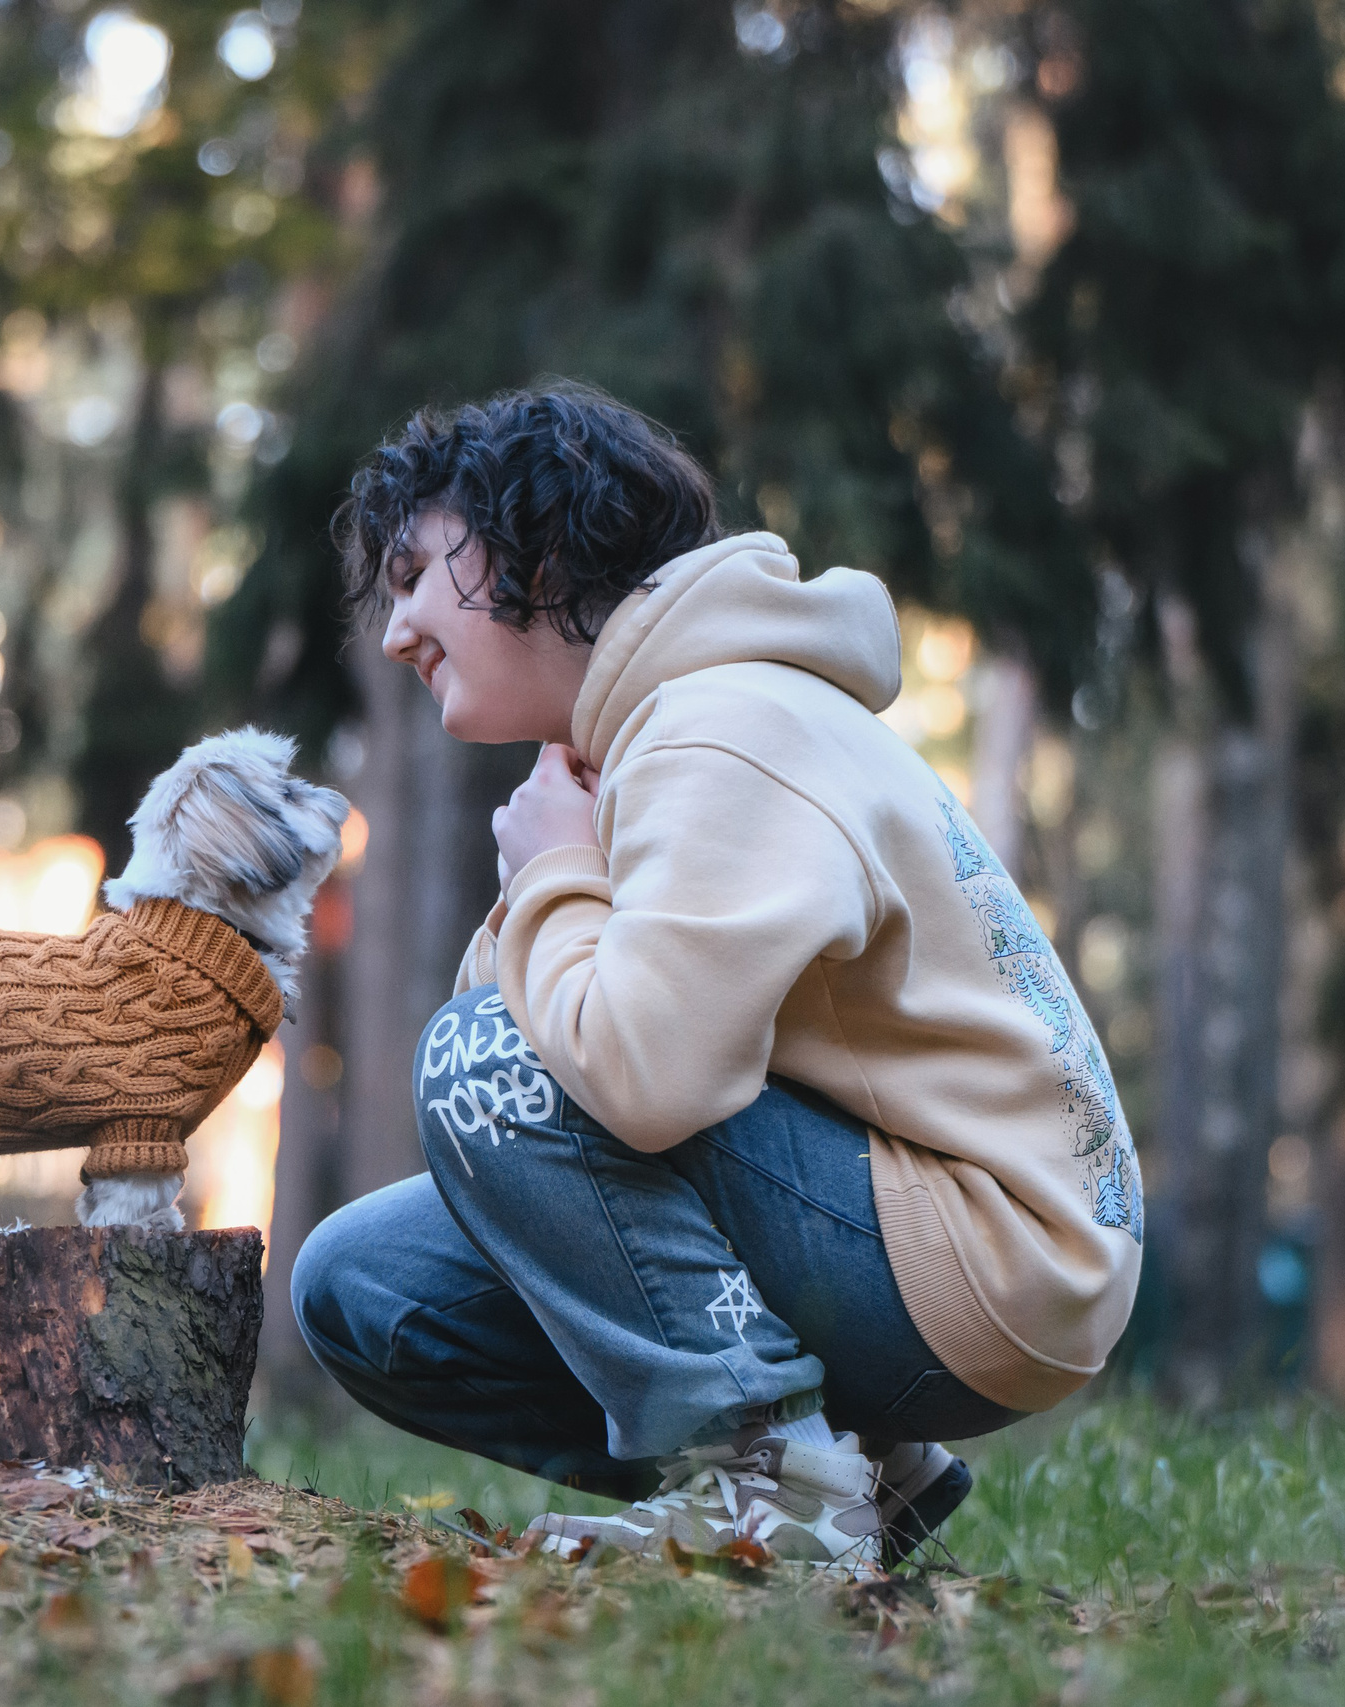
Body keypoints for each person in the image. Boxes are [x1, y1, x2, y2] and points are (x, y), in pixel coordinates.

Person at [291, 384, 1143, 1572]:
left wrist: (553, 874)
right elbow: (549, 1054)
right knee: (361, 1284)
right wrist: (558, 866)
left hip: (989, 1262)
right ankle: (850, 1471)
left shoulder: (719, 730)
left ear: (534, 553)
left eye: (417, 574)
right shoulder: (645, 738)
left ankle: (782, 1495)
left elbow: (621, 1075)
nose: (395, 632)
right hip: (914, 1230)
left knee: (481, 1064)